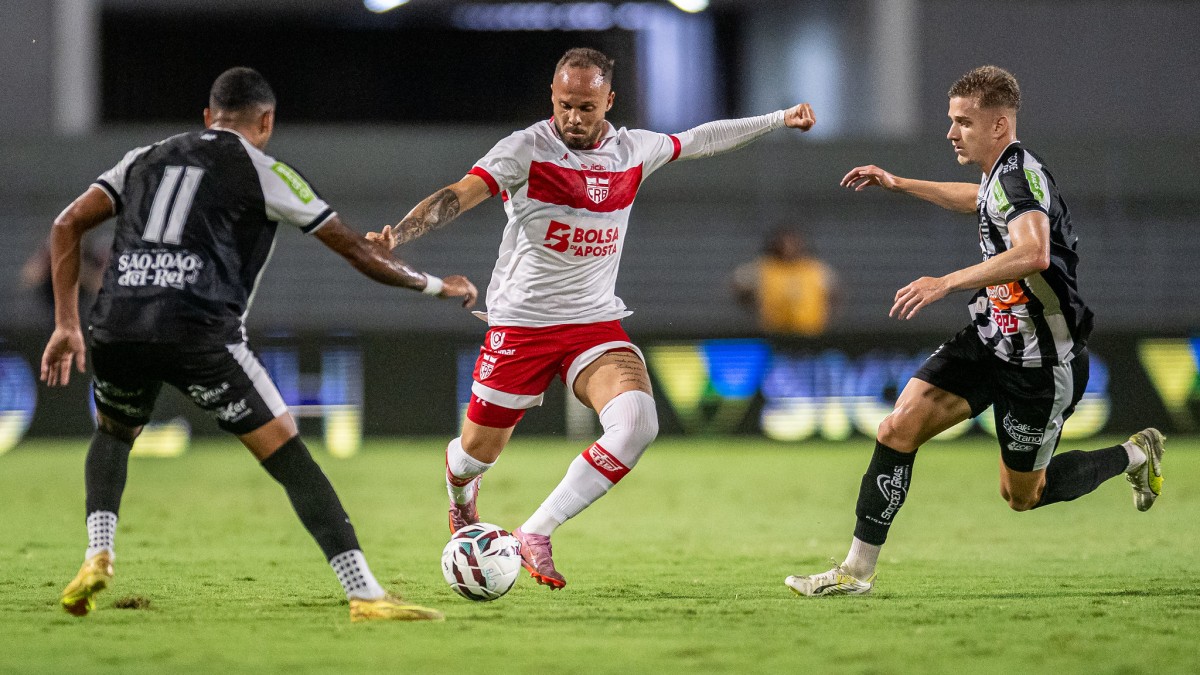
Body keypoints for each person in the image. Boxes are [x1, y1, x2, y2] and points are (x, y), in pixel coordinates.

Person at [368, 47, 816, 589]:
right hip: (521, 326)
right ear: (551, 99)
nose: (574, 118)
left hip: (593, 324)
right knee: (474, 455)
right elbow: (459, 195)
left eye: (586, 106)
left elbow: (701, 138)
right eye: (564, 106)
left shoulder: (633, 150)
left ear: (609, 100)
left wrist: (777, 118)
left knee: (637, 425)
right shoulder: (525, 150)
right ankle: (461, 494)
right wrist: (401, 233)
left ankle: (535, 531)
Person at [40, 67, 477, 621]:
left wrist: (65, 323)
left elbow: (65, 225)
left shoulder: (141, 157)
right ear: (266, 121)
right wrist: (441, 286)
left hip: (117, 325)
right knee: (289, 453)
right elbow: (357, 253)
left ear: (208, 116)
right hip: (199, 331)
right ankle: (365, 592)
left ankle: (97, 555)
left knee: (113, 432)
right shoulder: (265, 170)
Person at [785, 65, 1164, 597]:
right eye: (951, 120)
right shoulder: (1001, 171)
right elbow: (976, 199)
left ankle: (1135, 454)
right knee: (897, 429)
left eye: (963, 122)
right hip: (989, 338)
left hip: (1039, 360)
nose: (951, 132)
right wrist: (899, 182)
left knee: (1023, 496)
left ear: (999, 125)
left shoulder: (1017, 177)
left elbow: (1034, 252)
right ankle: (856, 570)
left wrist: (946, 282)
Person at [731, 226, 838, 336]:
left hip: (810, 331)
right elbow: (739, 285)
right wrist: (754, 308)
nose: (788, 248)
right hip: (774, 332)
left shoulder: (815, 269)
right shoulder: (764, 268)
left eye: (792, 244)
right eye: (784, 244)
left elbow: (833, 294)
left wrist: (825, 316)